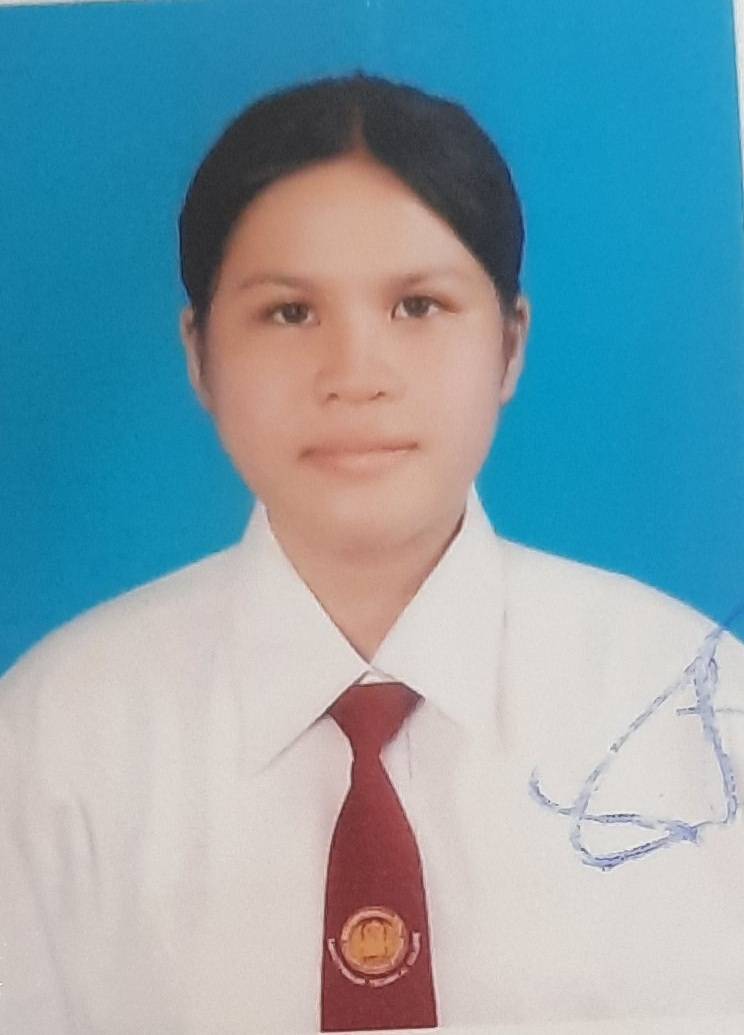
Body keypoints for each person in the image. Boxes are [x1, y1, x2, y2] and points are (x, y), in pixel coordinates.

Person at [1, 73, 743, 1035]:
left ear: (510, 344)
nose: (355, 377)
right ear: (199, 355)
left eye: (419, 306)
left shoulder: (696, 706)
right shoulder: (51, 737)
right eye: (289, 313)